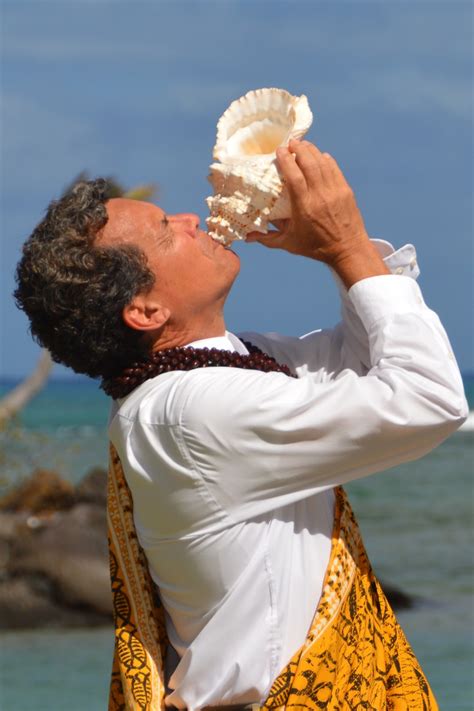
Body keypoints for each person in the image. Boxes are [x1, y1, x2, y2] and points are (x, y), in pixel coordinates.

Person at [15, 140, 467, 710]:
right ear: (147, 310)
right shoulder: (192, 411)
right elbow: (428, 397)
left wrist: (338, 253)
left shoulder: (215, 369)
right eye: (165, 229)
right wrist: (347, 243)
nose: (189, 218)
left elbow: (363, 362)